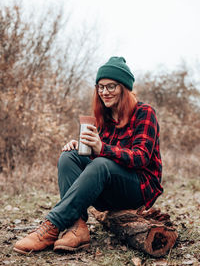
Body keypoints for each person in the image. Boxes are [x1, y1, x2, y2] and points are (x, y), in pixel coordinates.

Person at [13, 56, 163, 255]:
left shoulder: (144, 113)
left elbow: (140, 157)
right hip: (109, 188)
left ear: (124, 88)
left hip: (138, 189)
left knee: (102, 162)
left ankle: (52, 225)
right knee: (69, 156)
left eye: (111, 86)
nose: (104, 92)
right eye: (100, 87)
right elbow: (99, 163)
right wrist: (81, 148)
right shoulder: (105, 117)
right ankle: (77, 227)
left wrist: (102, 149)